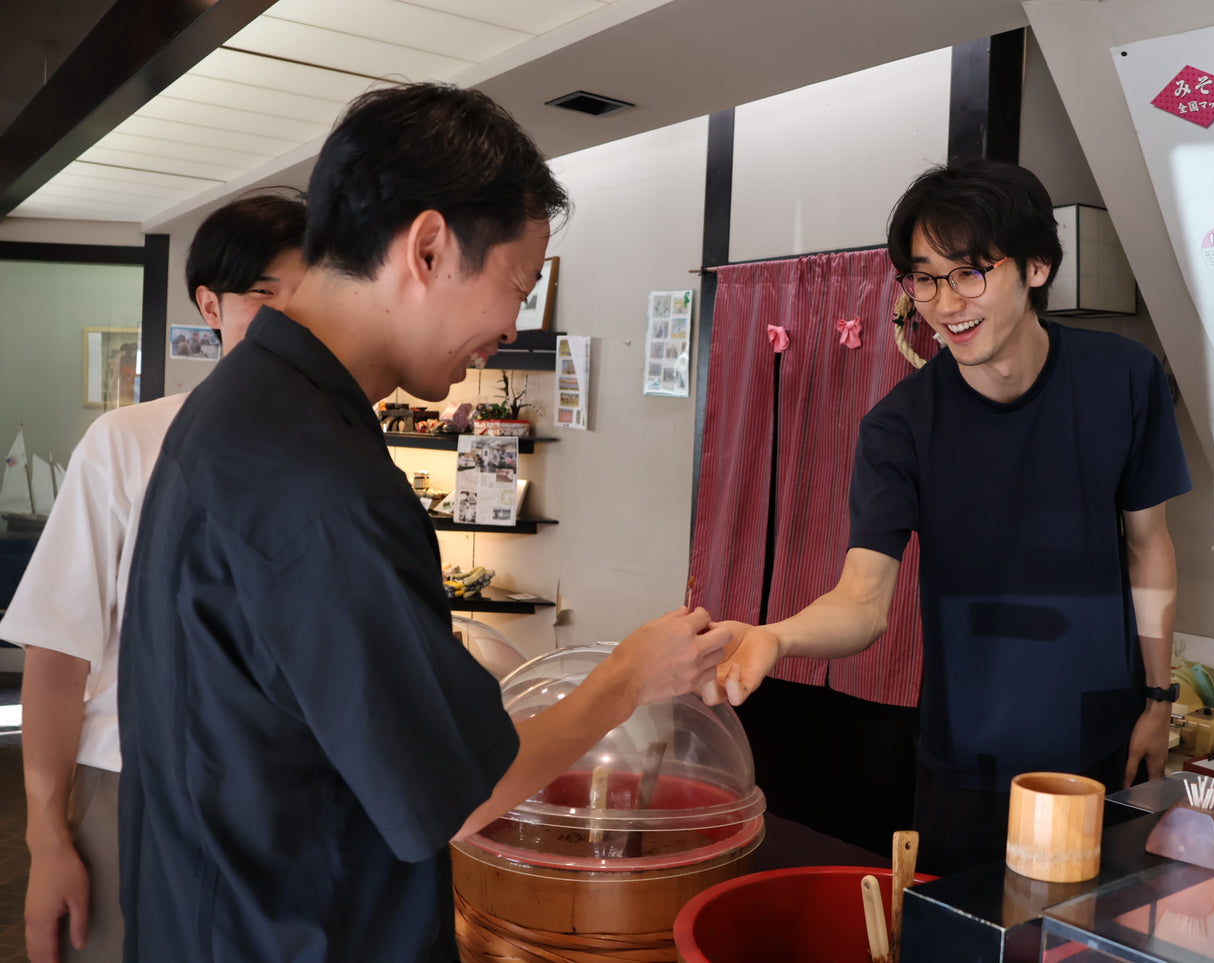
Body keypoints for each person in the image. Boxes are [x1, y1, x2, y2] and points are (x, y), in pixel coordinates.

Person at [116, 82, 733, 963]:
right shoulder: (322, 481)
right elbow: (458, 792)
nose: (513, 323)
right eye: (518, 285)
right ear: (431, 247)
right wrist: (627, 678)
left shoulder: (241, 411)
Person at [706, 159, 1192, 874]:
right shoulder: (898, 427)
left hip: (1104, 744)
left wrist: (1158, 697)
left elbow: (1147, 544)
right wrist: (775, 637)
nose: (943, 302)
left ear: (1035, 266)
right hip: (968, 759)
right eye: (924, 276)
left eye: (968, 273)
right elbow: (863, 601)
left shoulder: (1123, 377)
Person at [1, 192, 307, 963]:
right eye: (265, 296)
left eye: (312, 295)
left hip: (287, 806)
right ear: (211, 304)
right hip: (131, 788)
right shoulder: (130, 441)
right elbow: (56, 651)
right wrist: (46, 834)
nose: (291, 321)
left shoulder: (341, 460)